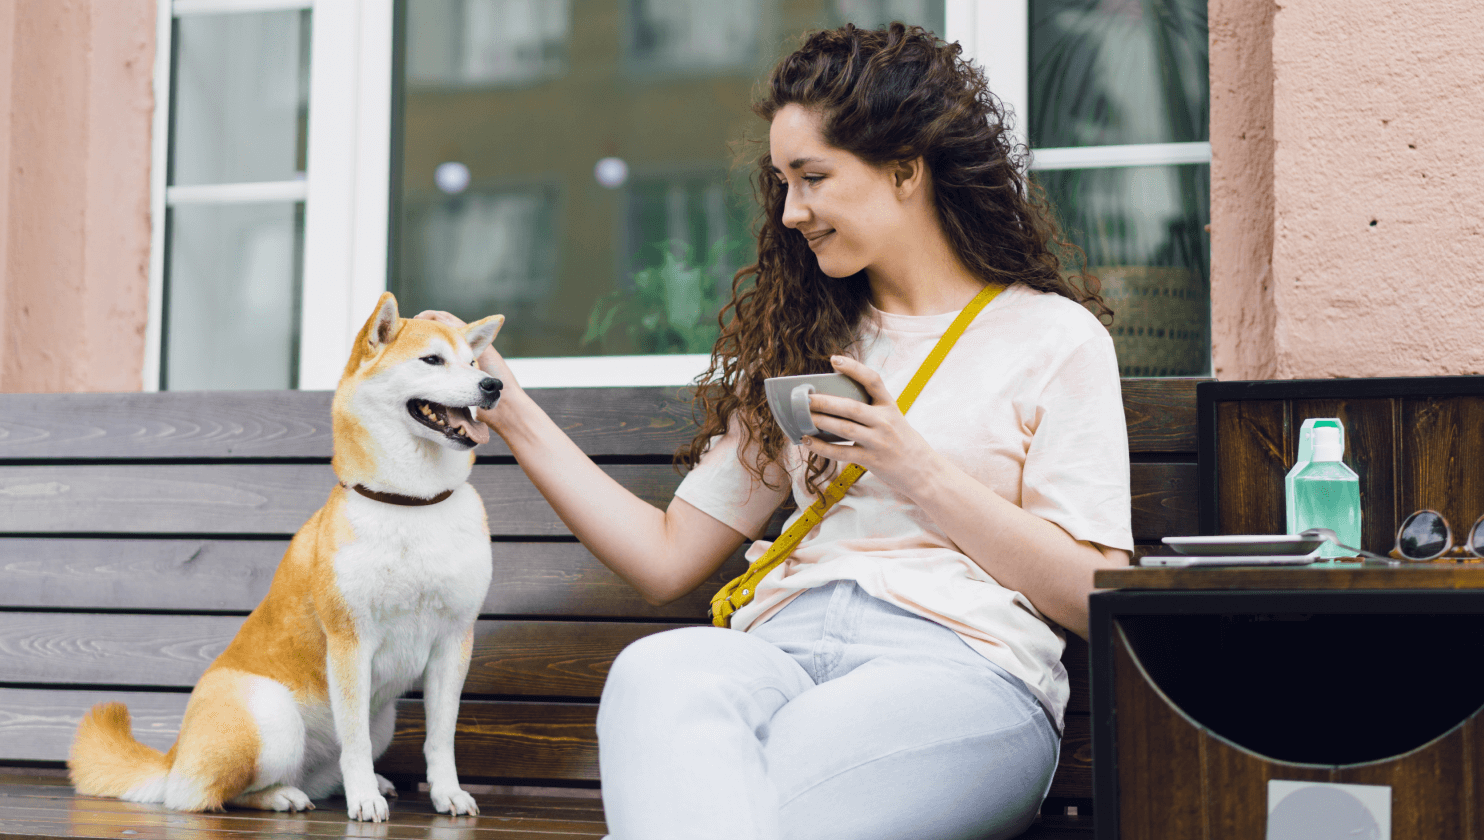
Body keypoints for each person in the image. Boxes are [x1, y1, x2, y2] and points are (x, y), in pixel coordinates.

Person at [422, 22, 1132, 840]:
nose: (792, 212)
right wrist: (506, 404)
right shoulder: (809, 341)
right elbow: (666, 556)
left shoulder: (1052, 339)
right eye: (782, 183)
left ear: (905, 170)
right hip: (780, 651)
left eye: (813, 177)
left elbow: (1091, 597)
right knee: (657, 670)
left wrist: (915, 470)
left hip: (958, 671)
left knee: (748, 808)